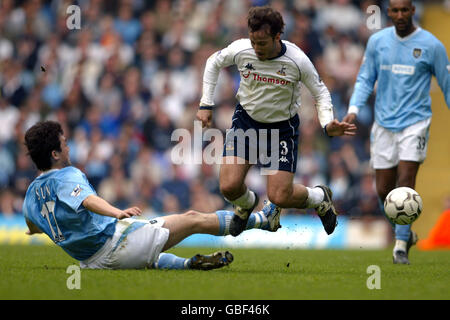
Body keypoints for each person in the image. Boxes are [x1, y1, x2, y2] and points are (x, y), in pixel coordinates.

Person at [22, 121, 282, 270]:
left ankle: (189, 264)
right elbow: (87, 200)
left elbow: (32, 224)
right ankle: (263, 219)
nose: (68, 145)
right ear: (55, 154)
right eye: (64, 142)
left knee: (148, 256)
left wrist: (34, 231)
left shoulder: (30, 197)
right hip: (115, 244)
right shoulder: (67, 175)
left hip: (89, 263)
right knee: (191, 218)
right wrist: (116, 211)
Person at [196, 6, 356, 237]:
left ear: (277, 36)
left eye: (262, 43)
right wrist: (205, 104)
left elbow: (320, 92)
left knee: (279, 196)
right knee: (229, 187)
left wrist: (327, 122)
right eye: (253, 41)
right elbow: (213, 62)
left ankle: (320, 197)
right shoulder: (242, 49)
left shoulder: (297, 59)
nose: (256, 48)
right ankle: (247, 203)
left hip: (281, 130)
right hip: (246, 123)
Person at [343, 0, 450, 264]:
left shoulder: (432, 45)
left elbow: (447, 85)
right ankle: (406, 232)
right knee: (383, 190)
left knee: (406, 176)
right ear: (388, 12)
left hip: (415, 123)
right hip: (384, 125)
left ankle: (400, 246)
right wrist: (354, 108)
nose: (400, 15)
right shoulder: (378, 42)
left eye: (405, 10)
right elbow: (366, 78)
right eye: (395, 10)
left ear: (413, 11)